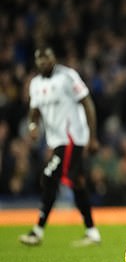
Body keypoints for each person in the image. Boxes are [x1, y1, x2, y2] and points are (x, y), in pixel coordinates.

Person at [19, 47, 101, 247]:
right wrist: (32, 125)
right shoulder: (36, 84)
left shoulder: (67, 76)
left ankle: (37, 231)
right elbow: (34, 109)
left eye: (47, 58)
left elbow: (87, 103)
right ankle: (92, 232)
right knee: (78, 182)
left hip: (72, 137)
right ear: (36, 62)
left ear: (54, 58)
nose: (43, 62)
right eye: (40, 59)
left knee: (48, 177)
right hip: (56, 140)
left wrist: (92, 137)